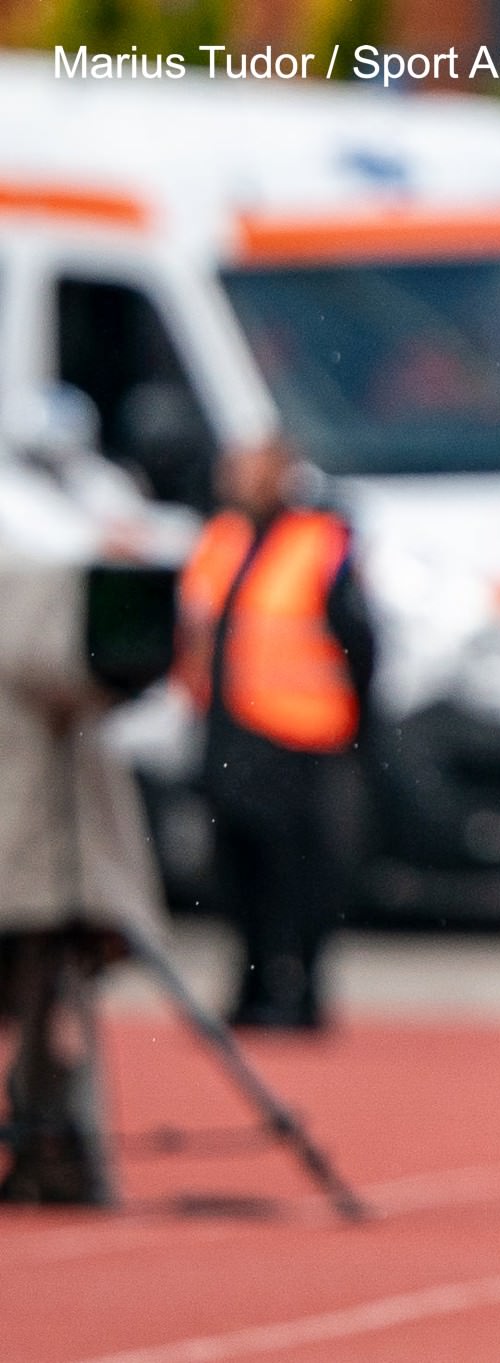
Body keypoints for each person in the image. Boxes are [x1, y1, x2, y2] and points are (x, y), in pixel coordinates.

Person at [0, 385, 188, 1205]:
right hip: (34, 798)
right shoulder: (36, 519)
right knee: (40, 981)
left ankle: (50, 1132)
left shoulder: (80, 506)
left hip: (60, 796)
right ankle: (45, 1131)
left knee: (50, 985)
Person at [173, 439, 375, 1030]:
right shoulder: (219, 539)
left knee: (302, 874)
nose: (235, 479)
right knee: (236, 872)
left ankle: (303, 992)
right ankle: (252, 988)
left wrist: (361, 731)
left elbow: (359, 642)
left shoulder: (321, 541)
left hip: (300, 739)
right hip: (228, 733)